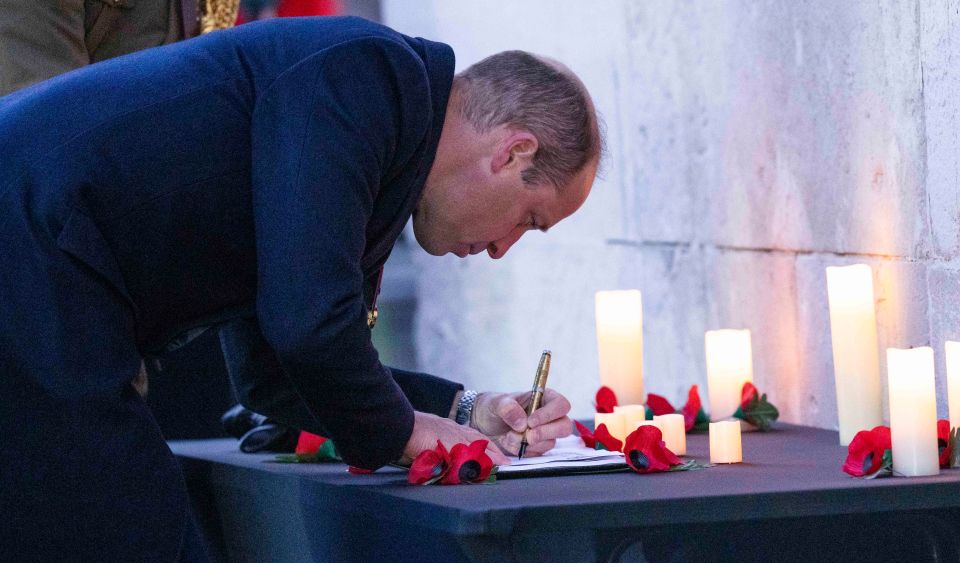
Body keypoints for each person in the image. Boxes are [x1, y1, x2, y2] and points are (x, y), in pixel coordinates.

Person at [0, 16, 601, 560]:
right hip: (32, 250)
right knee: (133, 528)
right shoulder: (369, 74)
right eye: (529, 219)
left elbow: (274, 374)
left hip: (47, 274)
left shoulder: (386, 132)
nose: (502, 248)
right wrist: (409, 433)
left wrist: (464, 410)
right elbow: (308, 328)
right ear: (512, 151)